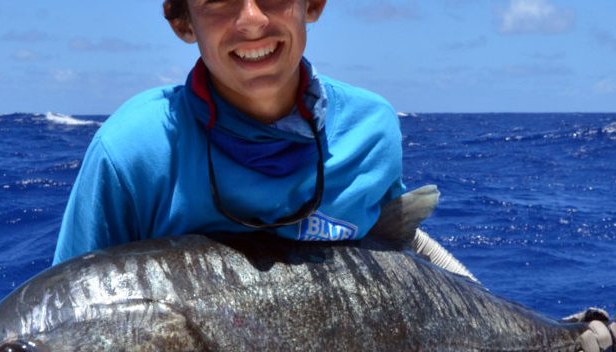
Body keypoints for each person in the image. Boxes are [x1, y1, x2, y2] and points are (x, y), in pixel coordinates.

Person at [52, 0, 477, 283]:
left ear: (311, 4)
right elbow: (75, 317)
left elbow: (394, 257)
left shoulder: (373, 128)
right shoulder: (132, 151)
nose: (252, 19)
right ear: (183, 21)